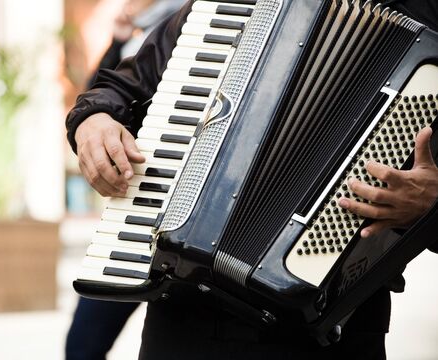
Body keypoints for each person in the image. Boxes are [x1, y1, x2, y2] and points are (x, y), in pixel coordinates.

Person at [65, 0, 438, 359]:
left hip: (334, 334)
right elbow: (121, 88)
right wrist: (93, 122)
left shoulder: (425, 17)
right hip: (189, 322)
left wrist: (431, 203)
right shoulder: (222, 7)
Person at [65, 1, 185, 359]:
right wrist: (93, 119)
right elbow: (95, 89)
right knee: (84, 344)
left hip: (174, 218)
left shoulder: (196, 14)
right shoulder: (153, 28)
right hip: (140, 215)